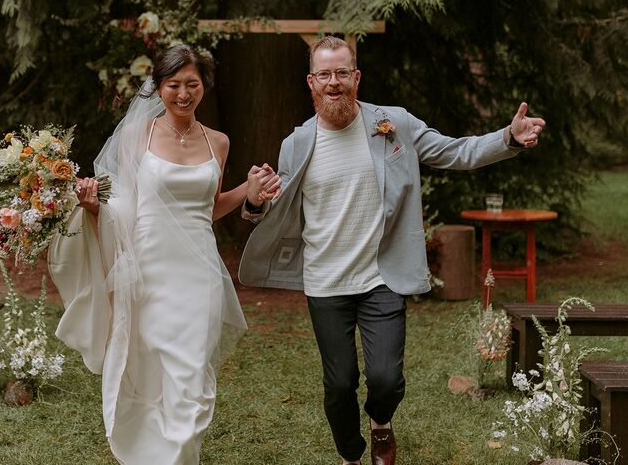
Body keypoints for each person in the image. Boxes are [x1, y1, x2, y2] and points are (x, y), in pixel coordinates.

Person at [238, 35, 545, 465]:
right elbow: (277, 206)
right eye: (324, 74)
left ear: (356, 77)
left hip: (381, 276)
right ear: (310, 82)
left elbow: (456, 152)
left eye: (342, 72)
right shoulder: (297, 143)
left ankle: (381, 422)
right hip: (325, 281)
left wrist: (508, 138)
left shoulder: (393, 123)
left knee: (385, 378)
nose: (334, 82)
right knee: (340, 384)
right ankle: (350, 455)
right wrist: (254, 201)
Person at [48, 44, 280, 465]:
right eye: (174, 85)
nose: (184, 94)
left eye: (192, 84)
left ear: (203, 87)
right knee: (154, 373)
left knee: (191, 380)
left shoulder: (219, 142)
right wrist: (95, 204)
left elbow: (206, 208)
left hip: (200, 274)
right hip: (149, 270)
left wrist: (247, 192)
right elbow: (125, 204)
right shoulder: (138, 136)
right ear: (158, 87)